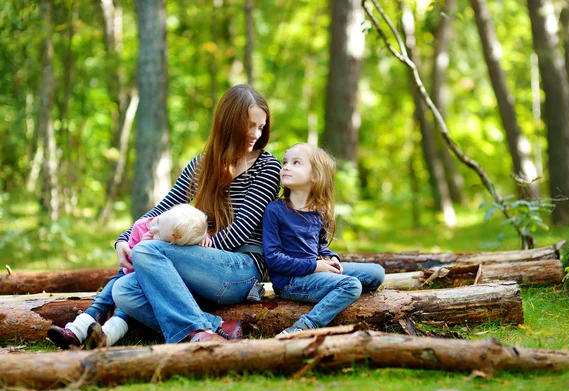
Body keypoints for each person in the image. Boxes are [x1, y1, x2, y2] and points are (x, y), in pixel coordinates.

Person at [111, 84, 281, 343]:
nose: (255, 134)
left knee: (147, 251)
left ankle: (193, 329)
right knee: (123, 290)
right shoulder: (203, 165)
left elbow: (240, 231)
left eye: (261, 126)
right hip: (201, 268)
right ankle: (209, 329)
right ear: (229, 122)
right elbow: (163, 210)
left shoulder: (267, 167)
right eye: (250, 125)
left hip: (241, 270)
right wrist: (124, 239)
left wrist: (188, 247)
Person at [47, 204, 209, 350]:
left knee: (124, 312)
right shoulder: (142, 226)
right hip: (127, 275)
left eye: (159, 234)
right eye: (158, 221)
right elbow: (130, 261)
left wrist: (204, 239)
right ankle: (75, 332)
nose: (153, 229)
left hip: (145, 288)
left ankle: (104, 338)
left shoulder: (181, 238)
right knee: (103, 300)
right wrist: (141, 247)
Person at [262, 143, 385, 335]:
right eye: (285, 162)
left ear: (315, 176)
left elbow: (321, 247)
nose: (286, 167)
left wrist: (331, 258)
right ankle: (303, 327)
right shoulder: (275, 210)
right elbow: (273, 259)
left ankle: (334, 293)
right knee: (351, 285)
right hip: (290, 281)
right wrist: (315, 266)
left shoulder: (319, 212)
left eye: (296, 163)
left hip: (315, 271)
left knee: (377, 273)